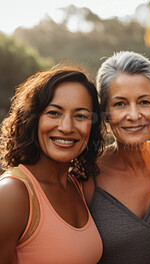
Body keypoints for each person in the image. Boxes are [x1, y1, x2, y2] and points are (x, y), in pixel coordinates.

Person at [83, 51, 150, 264]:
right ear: (104, 112)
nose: (133, 115)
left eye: (144, 102)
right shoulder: (86, 176)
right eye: (120, 104)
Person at [0, 65, 104, 264]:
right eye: (54, 113)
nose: (66, 127)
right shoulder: (12, 194)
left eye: (81, 116)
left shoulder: (77, 185)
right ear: (33, 119)